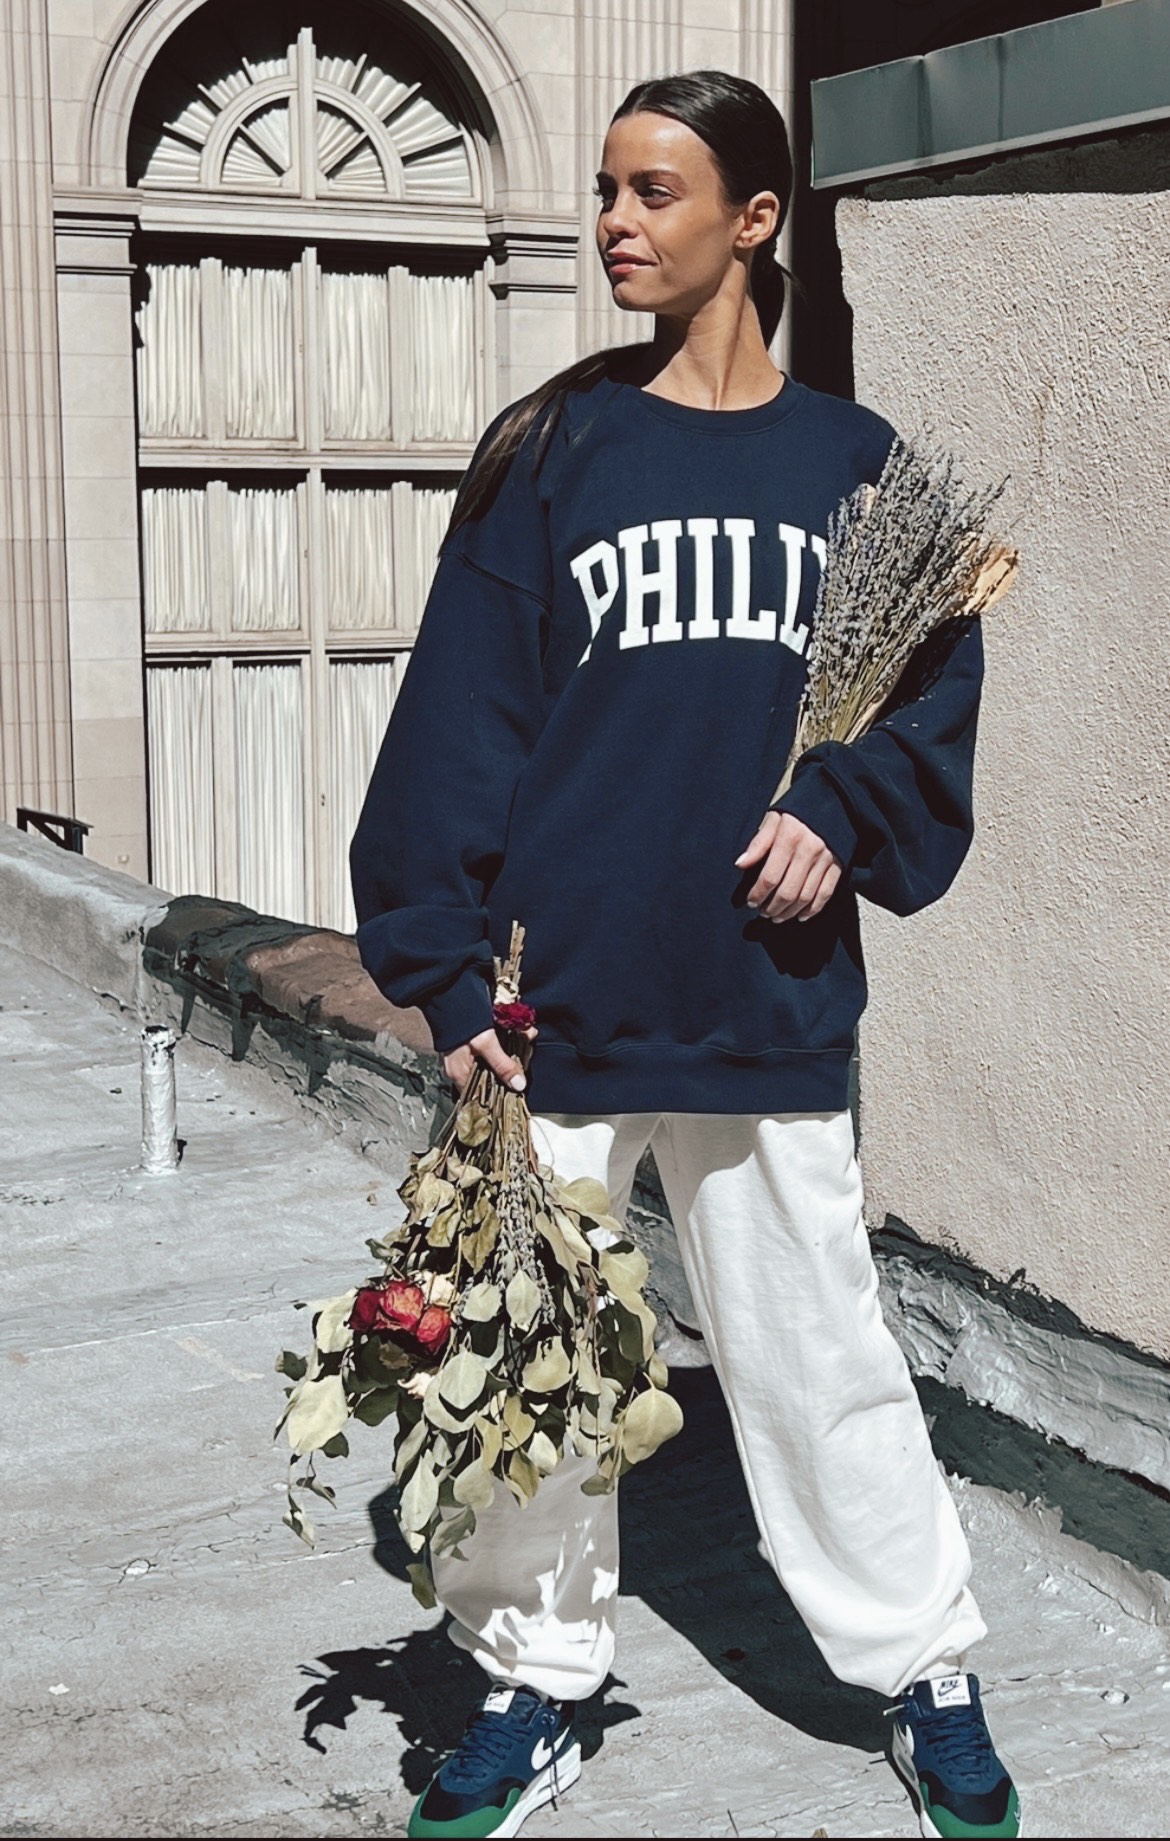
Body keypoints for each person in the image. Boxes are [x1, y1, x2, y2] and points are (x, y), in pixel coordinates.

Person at [350, 68, 1021, 1841]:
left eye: (654, 193)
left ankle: (919, 1662)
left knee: (819, 1351)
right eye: (603, 192)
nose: (614, 225)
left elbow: (929, 698)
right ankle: (532, 1680)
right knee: (524, 1358)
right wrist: (436, 972)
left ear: (754, 220)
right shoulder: (555, 451)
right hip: (548, 997)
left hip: (764, 994)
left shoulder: (855, 469)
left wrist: (846, 808)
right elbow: (458, 728)